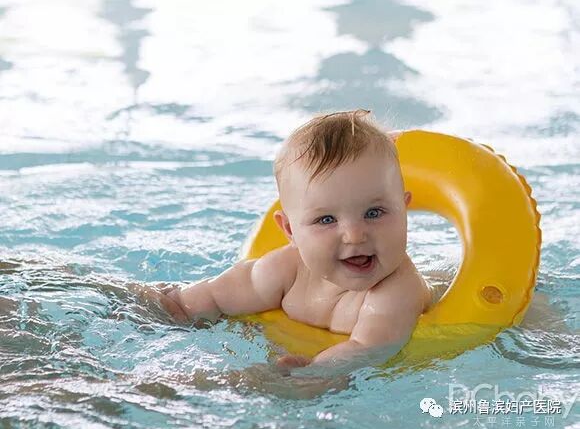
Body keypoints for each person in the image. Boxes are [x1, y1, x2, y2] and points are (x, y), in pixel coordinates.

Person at [139, 110, 433, 373]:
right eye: (326, 219)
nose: (355, 235)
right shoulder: (288, 270)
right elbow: (213, 295)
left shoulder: (397, 289)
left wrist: (311, 373)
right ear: (290, 230)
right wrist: (170, 307)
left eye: (374, 213)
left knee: (246, 384)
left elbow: (368, 350)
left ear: (404, 209)